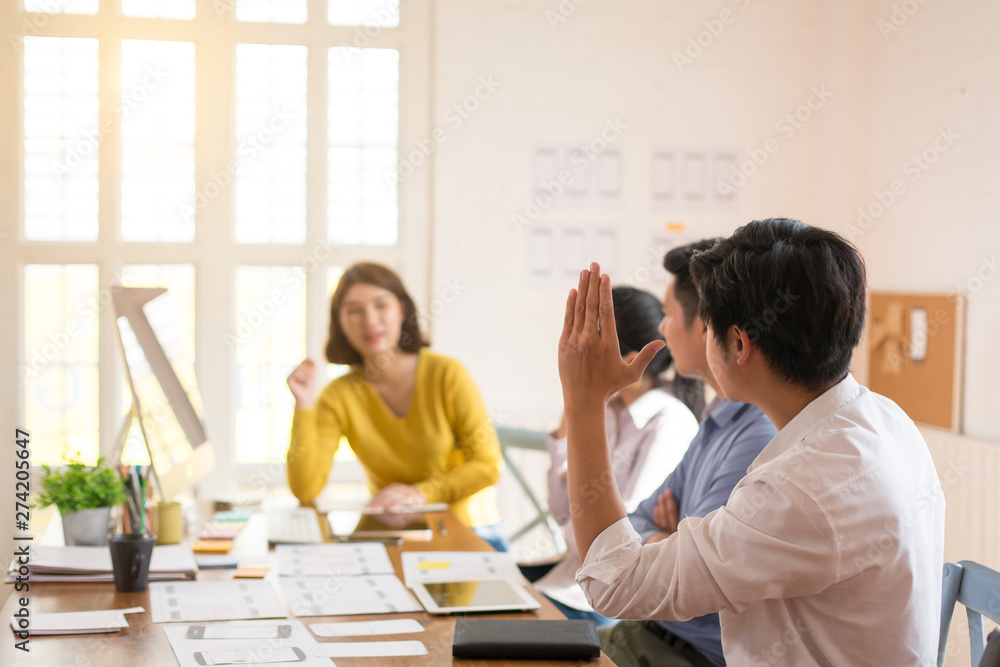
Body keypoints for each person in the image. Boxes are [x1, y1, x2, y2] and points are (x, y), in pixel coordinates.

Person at [559, 219, 945, 665]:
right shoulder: (885, 418)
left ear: (738, 343)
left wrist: (584, 401)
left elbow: (613, 582)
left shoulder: (798, 490)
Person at [594, 243, 776, 667]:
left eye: (668, 315)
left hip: (685, 653)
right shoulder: (716, 418)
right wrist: (673, 542)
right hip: (647, 634)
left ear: (706, 328)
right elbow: (637, 519)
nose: (661, 328)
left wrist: (676, 545)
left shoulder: (756, 434)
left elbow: (691, 584)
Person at [286, 262, 508, 551]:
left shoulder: (446, 374)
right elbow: (306, 490)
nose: (369, 320)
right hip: (386, 537)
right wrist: (303, 406)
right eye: (354, 310)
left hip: (468, 532)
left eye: (381, 305)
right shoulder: (338, 395)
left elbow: (488, 465)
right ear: (339, 322)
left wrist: (421, 493)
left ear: (402, 309)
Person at [529, 286, 700, 626]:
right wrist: (573, 412)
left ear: (629, 359)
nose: (580, 354)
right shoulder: (606, 410)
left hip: (605, 603)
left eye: (592, 346)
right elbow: (563, 512)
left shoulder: (670, 421)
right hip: (567, 583)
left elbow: (624, 539)